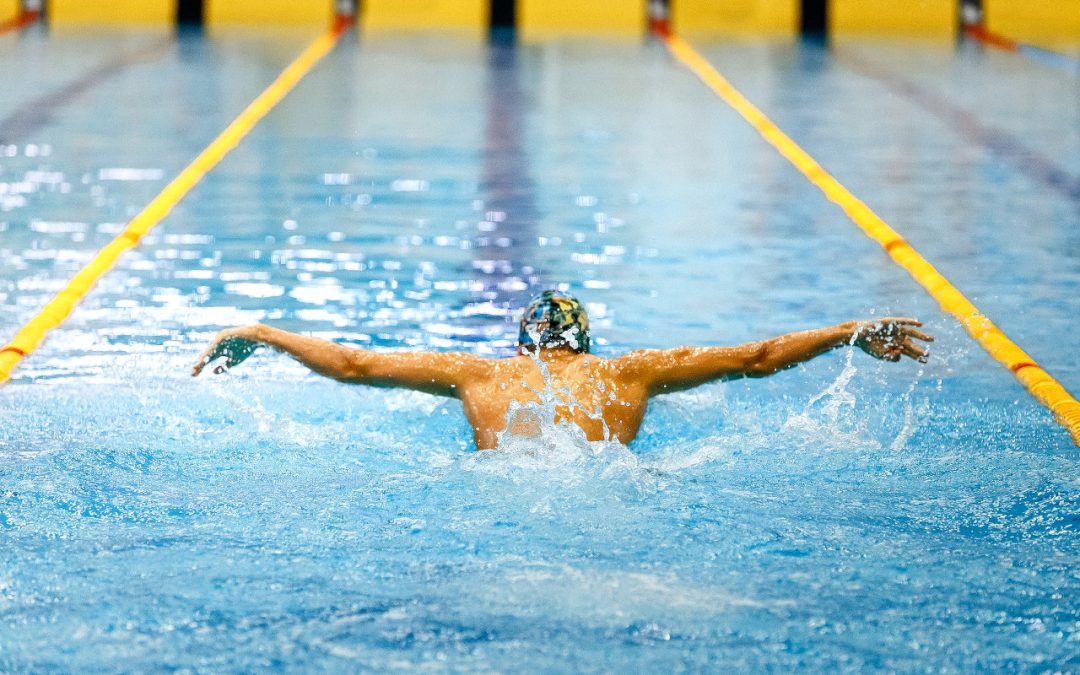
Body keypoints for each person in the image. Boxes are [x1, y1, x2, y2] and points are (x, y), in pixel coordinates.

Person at [192, 290, 933, 450]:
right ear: (585, 341)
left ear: (524, 346)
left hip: (501, 508)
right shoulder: (633, 373)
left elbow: (355, 365)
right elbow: (756, 357)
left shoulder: (479, 375)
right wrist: (845, 332)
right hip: (610, 504)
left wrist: (262, 331)